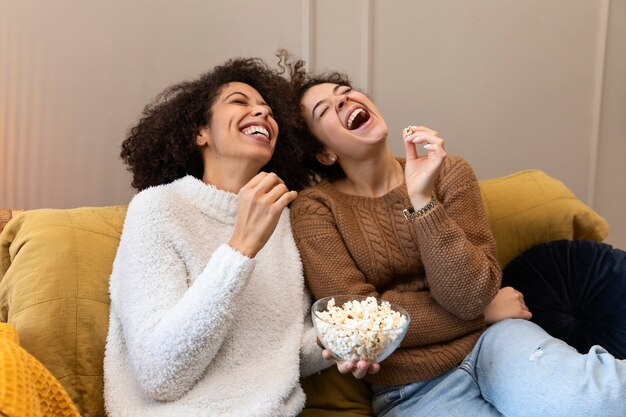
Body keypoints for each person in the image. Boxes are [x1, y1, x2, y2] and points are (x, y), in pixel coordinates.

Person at [282, 64, 626, 416]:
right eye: (324, 109)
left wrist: (422, 201)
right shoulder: (316, 210)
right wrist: (485, 313)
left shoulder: (448, 172)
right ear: (325, 154)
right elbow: (364, 328)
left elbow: (470, 295)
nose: (342, 101)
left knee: (600, 401)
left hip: (497, 345)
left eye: (344, 93)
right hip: (411, 389)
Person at [103, 56, 330, 417]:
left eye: (268, 111)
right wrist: (241, 247)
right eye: (240, 101)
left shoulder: (284, 222)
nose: (262, 114)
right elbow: (161, 374)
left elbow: (277, 354)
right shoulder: (158, 208)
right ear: (200, 132)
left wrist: (339, 342)